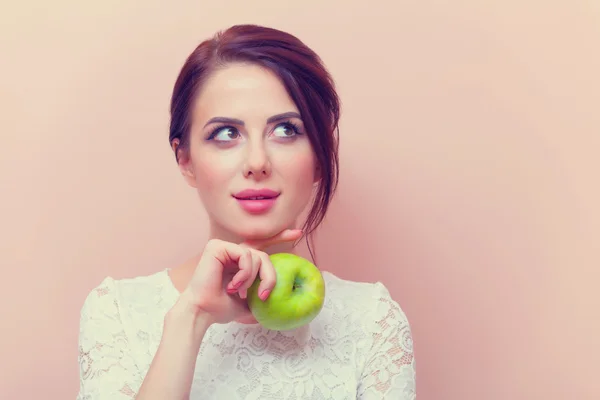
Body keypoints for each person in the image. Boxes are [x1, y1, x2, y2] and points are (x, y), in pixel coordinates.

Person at [76, 24, 416, 400]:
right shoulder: (118, 314)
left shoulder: (370, 322)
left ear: (319, 158)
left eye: (287, 130)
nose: (257, 162)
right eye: (226, 134)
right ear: (186, 160)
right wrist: (191, 317)